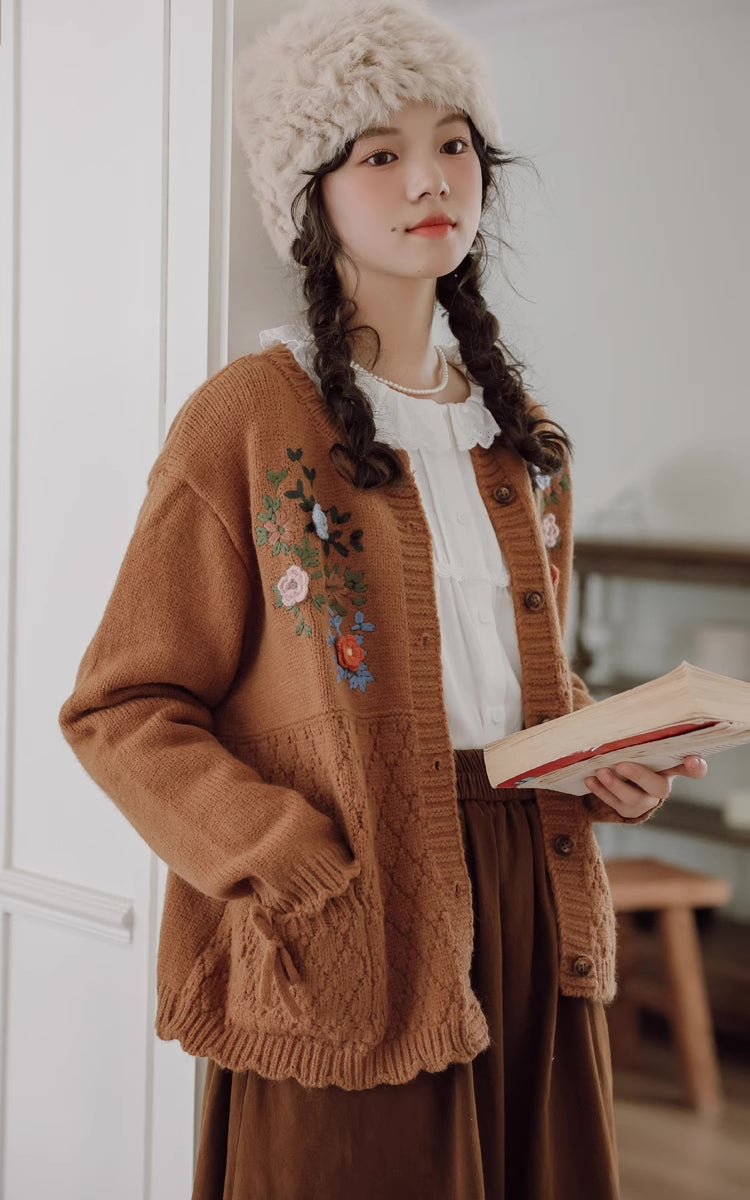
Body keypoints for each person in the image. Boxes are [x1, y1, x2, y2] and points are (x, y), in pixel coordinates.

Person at [58, 1, 709, 1197]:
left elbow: (511, 694)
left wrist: (602, 760)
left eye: (454, 143)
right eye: (380, 152)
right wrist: (284, 857)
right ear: (314, 194)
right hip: (352, 914)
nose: (430, 178)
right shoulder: (249, 421)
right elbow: (122, 706)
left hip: (526, 906)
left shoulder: (523, 444)